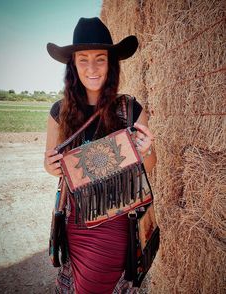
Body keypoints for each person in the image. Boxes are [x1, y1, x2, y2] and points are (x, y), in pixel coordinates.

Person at [44, 17, 157, 294]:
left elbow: (150, 166)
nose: (92, 68)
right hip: (77, 224)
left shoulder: (130, 109)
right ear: (73, 65)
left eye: (100, 59)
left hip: (118, 225)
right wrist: (51, 166)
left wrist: (148, 150)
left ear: (111, 64)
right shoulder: (60, 112)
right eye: (83, 59)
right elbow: (50, 166)